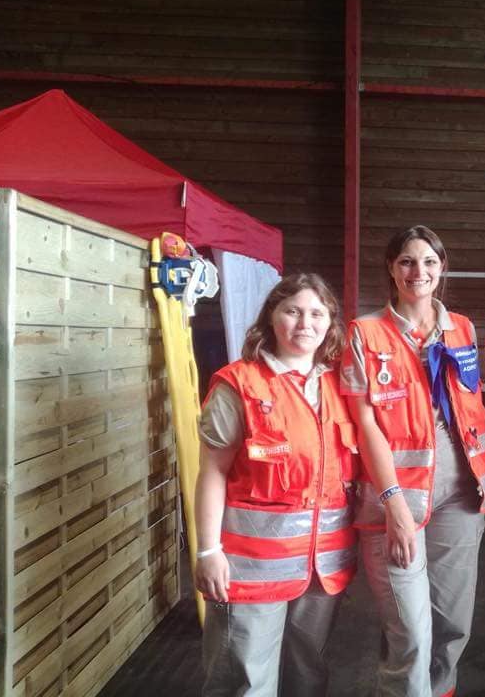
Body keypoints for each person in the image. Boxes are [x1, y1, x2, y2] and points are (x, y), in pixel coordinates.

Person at [341, 225, 485, 697]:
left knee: (453, 623)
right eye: (407, 261)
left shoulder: (462, 328)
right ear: (391, 268)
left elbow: (469, 406)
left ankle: (441, 690)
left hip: (462, 490)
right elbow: (365, 425)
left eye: (428, 262)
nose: (418, 271)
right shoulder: (364, 333)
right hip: (396, 496)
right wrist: (392, 503)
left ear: (441, 267)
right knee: (409, 630)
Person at [194, 272, 358, 697]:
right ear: (271, 318)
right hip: (250, 570)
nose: (306, 323)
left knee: (309, 675)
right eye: (293, 311)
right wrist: (208, 551)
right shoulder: (239, 384)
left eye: (317, 313)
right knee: (245, 679)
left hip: (323, 572)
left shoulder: (341, 385)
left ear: (331, 323)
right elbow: (212, 470)